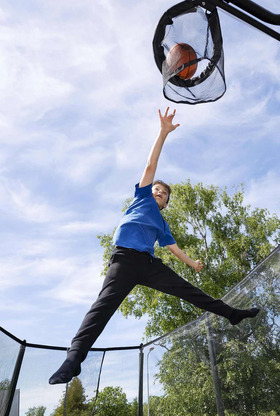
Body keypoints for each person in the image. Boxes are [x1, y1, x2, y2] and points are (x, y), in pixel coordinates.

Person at [49, 108, 259, 385]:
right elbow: (150, 166)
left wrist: (192, 263)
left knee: (190, 291)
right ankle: (73, 359)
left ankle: (231, 314)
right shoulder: (141, 199)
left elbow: (173, 248)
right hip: (123, 261)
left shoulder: (161, 223)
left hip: (148, 266)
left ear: (166, 203)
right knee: (102, 307)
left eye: (163, 194)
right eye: (156, 190)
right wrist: (162, 133)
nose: (158, 193)